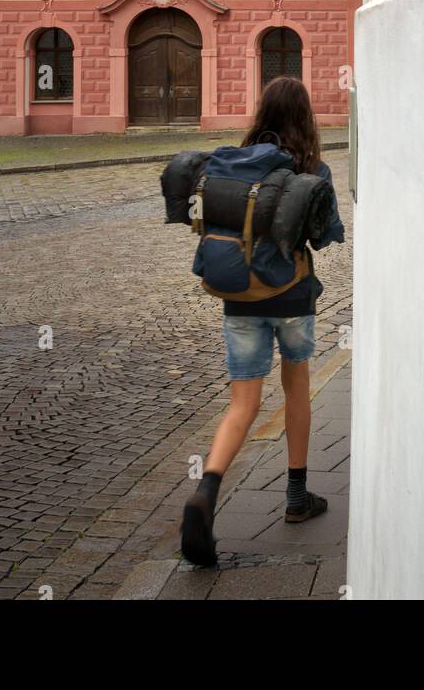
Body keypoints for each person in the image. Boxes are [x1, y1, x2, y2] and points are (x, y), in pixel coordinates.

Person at [180, 75, 345, 568]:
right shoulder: (313, 168)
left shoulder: (233, 162)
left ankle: (206, 491)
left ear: (261, 112)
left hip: (240, 301)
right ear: (306, 117)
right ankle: (296, 496)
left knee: (242, 404)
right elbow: (327, 236)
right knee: (296, 388)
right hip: (292, 297)